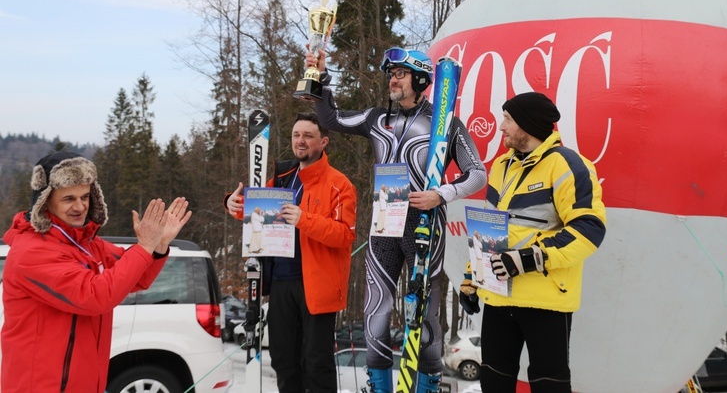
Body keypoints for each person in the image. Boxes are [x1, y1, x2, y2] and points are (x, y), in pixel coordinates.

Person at [305, 47, 487, 393]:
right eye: (391, 73)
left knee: (425, 315)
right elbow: (331, 119)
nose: (393, 79)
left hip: (424, 224)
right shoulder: (377, 118)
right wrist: (322, 76)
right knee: (375, 310)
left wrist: (441, 194)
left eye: (400, 74)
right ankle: (379, 386)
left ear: (420, 80)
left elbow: (477, 174)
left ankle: (426, 386)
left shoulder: (445, 122)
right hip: (384, 225)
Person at [1, 151, 191, 393]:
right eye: (69, 198)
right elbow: (96, 297)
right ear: (45, 200)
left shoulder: (87, 244)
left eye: (85, 196)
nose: (80, 206)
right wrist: (144, 247)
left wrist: (158, 245)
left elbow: (137, 277)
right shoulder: (32, 252)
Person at [460, 92, 606, 393]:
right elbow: (490, 229)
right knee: (493, 383)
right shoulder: (501, 166)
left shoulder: (568, 165)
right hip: (499, 298)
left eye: (508, 120)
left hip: (546, 300)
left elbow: (589, 229)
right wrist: (471, 278)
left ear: (527, 125)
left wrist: (530, 258)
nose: (501, 127)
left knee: (548, 385)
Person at [225, 112, 357, 393]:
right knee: (284, 360)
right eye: (297, 135)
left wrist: (304, 219)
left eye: (308, 136)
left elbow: (345, 234)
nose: (301, 141)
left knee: (316, 363)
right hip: (282, 283)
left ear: (323, 141)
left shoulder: (339, 184)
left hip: (318, 287)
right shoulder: (284, 176)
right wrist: (234, 204)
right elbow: (257, 209)